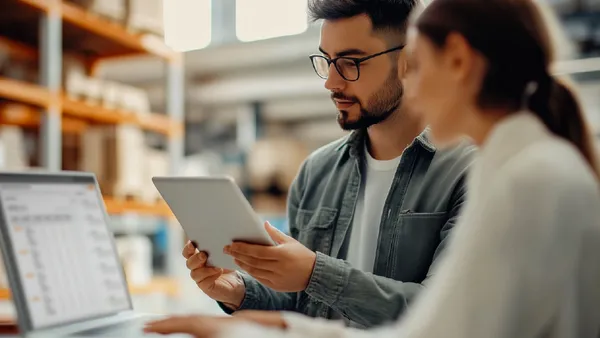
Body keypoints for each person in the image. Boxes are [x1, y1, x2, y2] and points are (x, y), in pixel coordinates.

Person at [144, 0, 600, 337]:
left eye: (418, 67)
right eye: (327, 61)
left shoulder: (521, 182)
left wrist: (293, 301)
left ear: (457, 61)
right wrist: (244, 297)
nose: (330, 80)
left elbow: (436, 328)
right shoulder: (529, 171)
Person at [180, 0, 474, 330]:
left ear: (408, 60)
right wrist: (237, 291)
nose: (331, 82)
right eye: (328, 61)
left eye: (350, 63)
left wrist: (315, 273)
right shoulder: (316, 172)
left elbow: (446, 314)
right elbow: (298, 302)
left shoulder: (468, 172)